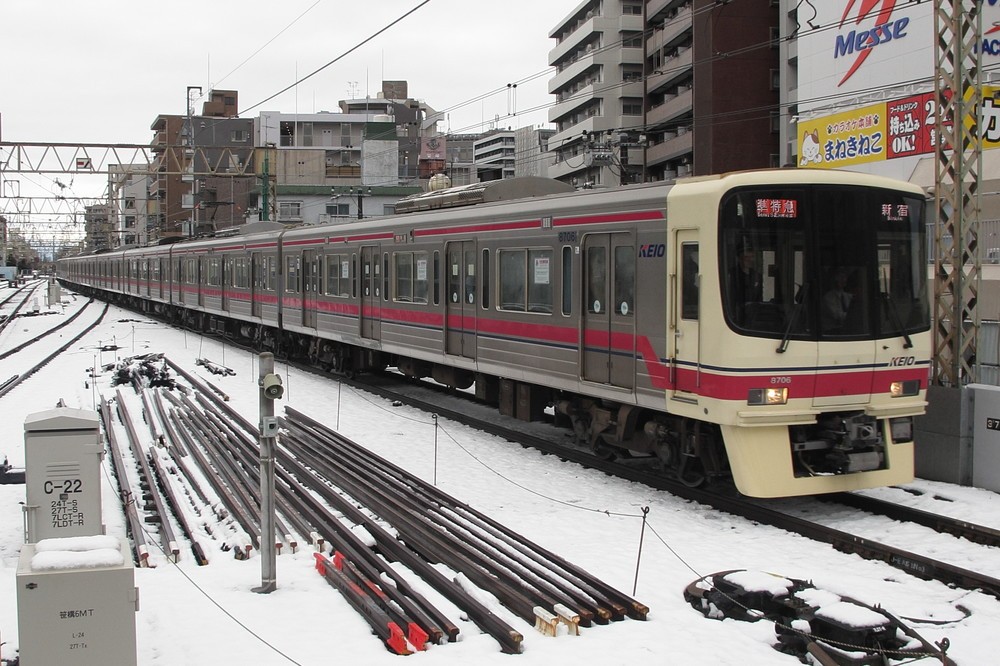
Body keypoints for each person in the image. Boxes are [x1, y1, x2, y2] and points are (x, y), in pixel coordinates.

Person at [729, 244, 762, 324]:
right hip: (735, 315)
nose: (750, 260)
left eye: (752, 257)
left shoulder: (756, 275)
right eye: (747, 257)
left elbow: (759, 295)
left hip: (753, 314)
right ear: (739, 259)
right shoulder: (732, 274)